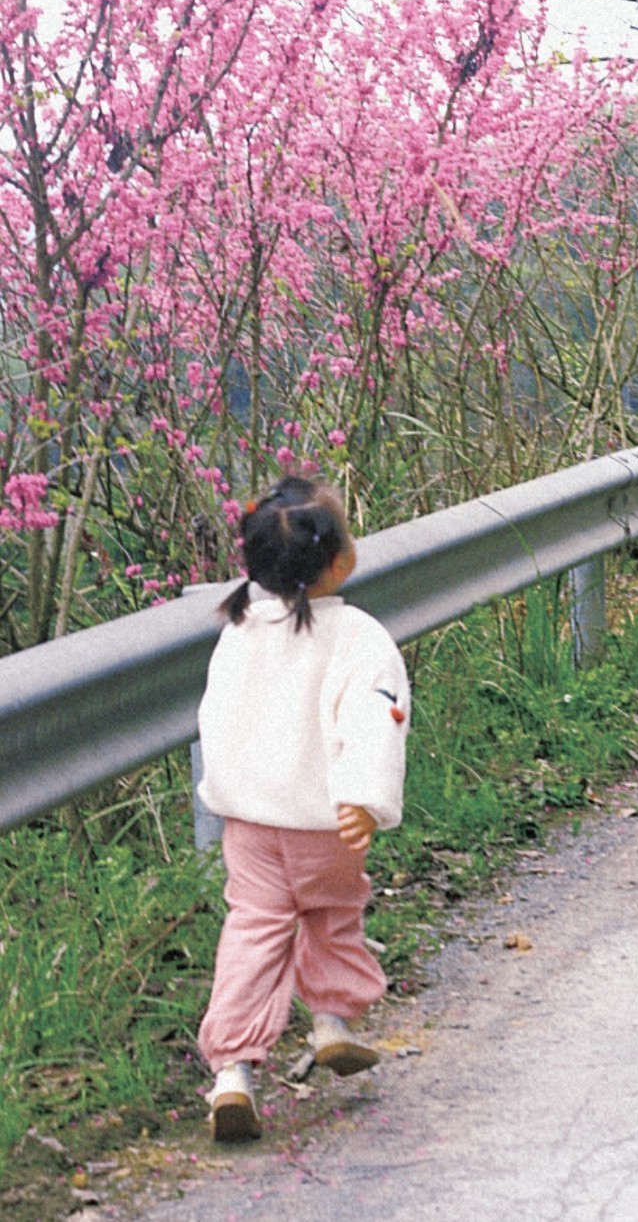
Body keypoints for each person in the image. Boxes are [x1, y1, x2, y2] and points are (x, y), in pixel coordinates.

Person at [195, 474, 410, 1141]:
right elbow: (377, 718)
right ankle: (330, 1022)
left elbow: (219, 720)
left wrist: (231, 793)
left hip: (251, 823)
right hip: (326, 821)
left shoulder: (237, 630)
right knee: (332, 914)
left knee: (253, 929)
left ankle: (231, 1069)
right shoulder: (359, 636)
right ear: (341, 559)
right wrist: (365, 800)